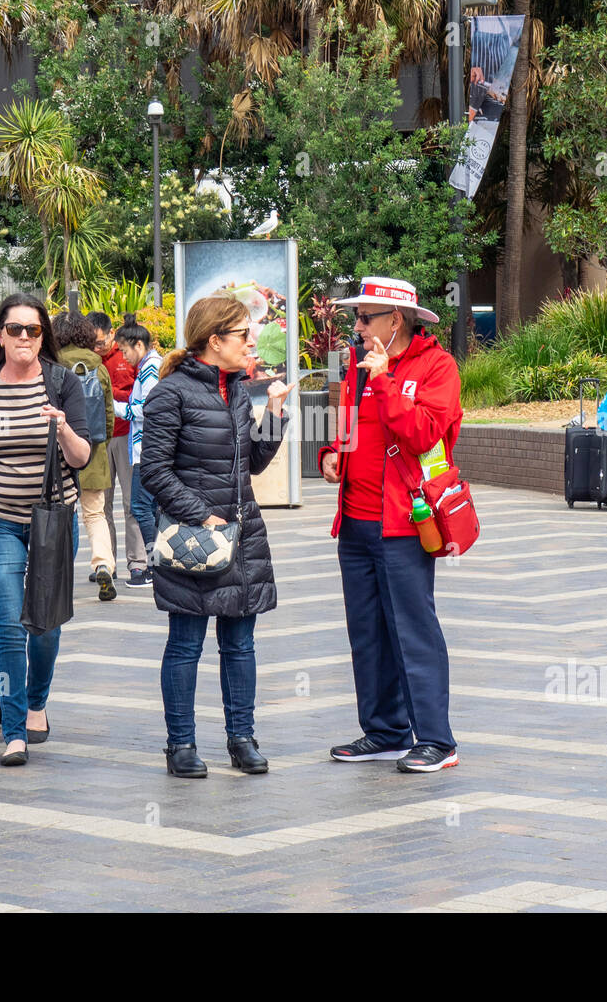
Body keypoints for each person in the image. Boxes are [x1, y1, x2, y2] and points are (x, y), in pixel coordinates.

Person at [140, 295, 292, 778]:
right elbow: (154, 471)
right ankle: (180, 744)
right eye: (243, 334)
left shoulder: (239, 390)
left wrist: (275, 414)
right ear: (214, 341)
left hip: (242, 537)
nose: (252, 342)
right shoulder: (171, 392)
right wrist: (201, 515)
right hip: (195, 539)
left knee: (240, 645)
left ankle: (241, 738)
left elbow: (253, 465)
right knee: (185, 643)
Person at [319, 277, 463, 773]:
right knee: (368, 632)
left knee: (413, 630)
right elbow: (347, 428)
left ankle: (437, 741)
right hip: (355, 522)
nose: (355, 327)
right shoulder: (356, 370)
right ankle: (384, 732)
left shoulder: (436, 366)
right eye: (355, 318)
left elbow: (426, 432)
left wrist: (383, 381)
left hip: (406, 522)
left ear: (394, 320)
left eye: (364, 318)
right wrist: (331, 453)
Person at [0, 293, 91, 767]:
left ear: (43, 335)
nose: (24, 337)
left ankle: (36, 702)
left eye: (33, 329)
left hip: (54, 518)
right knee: (8, 624)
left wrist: (63, 428)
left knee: (44, 623)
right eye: (15, 329)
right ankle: (12, 732)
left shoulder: (63, 383)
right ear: (0, 336)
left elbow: (82, 458)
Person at [52, 312, 117, 601]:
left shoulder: (51, 366)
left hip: (59, 452)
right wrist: (102, 444)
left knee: (59, 513)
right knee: (95, 514)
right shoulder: (99, 366)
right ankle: (103, 562)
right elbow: (109, 414)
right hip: (95, 450)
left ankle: (56, 570)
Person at [89, 311, 147, 582]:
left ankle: (137, 562)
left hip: (124, 435)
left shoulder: (127, 355)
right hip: (98, 438)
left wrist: (110, 394)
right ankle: (106, 564)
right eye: (93, 344)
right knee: (102, 505)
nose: (97, 348)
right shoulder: (88, 360)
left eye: (101, 342)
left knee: (130, 503)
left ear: (112, 334)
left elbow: (141, 393)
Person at [113, 314, 163, 588]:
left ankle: (156, 566)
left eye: (124, 350)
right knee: (150, 508)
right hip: (147, 449)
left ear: (138, 345)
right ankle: (159, 565)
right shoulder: (150, 365)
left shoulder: (150, 368)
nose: (123, 357)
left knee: (141, 507)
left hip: (148, 451)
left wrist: (115, 408)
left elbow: (148, 408)